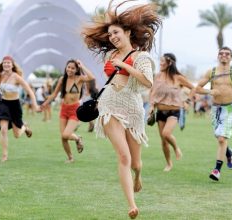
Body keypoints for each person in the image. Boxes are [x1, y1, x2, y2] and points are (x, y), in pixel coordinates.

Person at [81, 1, 161, 218]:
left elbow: (147, 82)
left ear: (127, 32)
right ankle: (132, 205)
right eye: (110, 34)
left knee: (136, 163)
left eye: (116, 32)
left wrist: (125, 66)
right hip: (109, 107)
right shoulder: (110, 56)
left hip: (133, 109)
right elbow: (112, 81)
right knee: (123, 157)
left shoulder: (142, 57)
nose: (112, 37)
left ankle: (138, 175)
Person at [195, 46, 232, 181]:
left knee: (222, 138)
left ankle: (217, 170)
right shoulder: (211, 72)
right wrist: (210, 92)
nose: (224, 55)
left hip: (229, 108)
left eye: (227, 54)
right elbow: (197, 88)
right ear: (218, 56)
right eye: (221, 53)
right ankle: (229, 153)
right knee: (220, 137)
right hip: (216, 109)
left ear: (231, 57)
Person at [40, 59, 95, 163]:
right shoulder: (62, 79)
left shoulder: (79, 79)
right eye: (68, 67)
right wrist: (44, 104)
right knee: (63, 137)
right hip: (64, 109)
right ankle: (70, 158)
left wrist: (82, 65)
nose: (69, 69)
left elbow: (92, 77)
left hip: (75, 109)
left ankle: (78, 138)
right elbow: (54, 94)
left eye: (73, 68)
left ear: (76, 69)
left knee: (66, 134)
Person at [149, 53, 195, 172]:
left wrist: (187, 101)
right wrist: (151, 106)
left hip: (174, 111)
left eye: (163, 61)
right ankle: (169, 163)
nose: (160, 63)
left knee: (166, 134)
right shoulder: (157, 76)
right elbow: (152, 93)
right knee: (163, 142)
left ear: (170, 63)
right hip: (160, 112)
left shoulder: (178, 78)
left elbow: (193, 88)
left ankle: (176, 148)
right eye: (160, 61)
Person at [0, 56, 39, 162]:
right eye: (4, 63)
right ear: (2, 64)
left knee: (17, 135)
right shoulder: (0, 75)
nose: (6, 64)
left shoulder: (17, 77)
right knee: (3, 130)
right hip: (3, 104)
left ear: (12, 65)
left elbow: (30, 92)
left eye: (8, 63)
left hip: (14, 105)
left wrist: (35, 105)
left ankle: (25, 127)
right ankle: (4, 155)